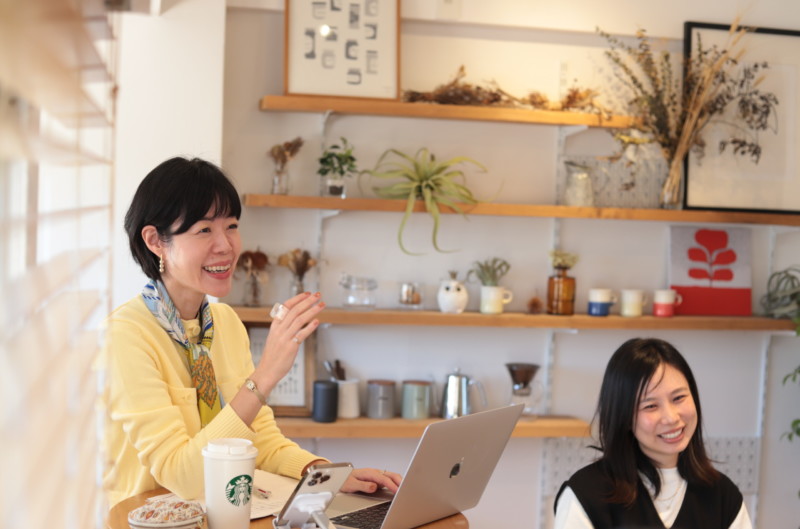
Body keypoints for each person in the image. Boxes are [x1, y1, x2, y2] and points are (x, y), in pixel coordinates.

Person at [103, 157, 401, 507]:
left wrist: (328, 474)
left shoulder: (225, 323)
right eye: (204, 230)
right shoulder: (125, 335)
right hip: (143, 519)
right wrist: (265, 376)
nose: (226, 245)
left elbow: (261, 441)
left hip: (215, 513)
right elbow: (182, 476)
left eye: (231, 225)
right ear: (155, 241)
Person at [553, 338, 752, 529]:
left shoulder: (723, 496)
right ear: (624, 417)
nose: (671, 418)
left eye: (678, 398)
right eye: (650, 406)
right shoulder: (586, 495)